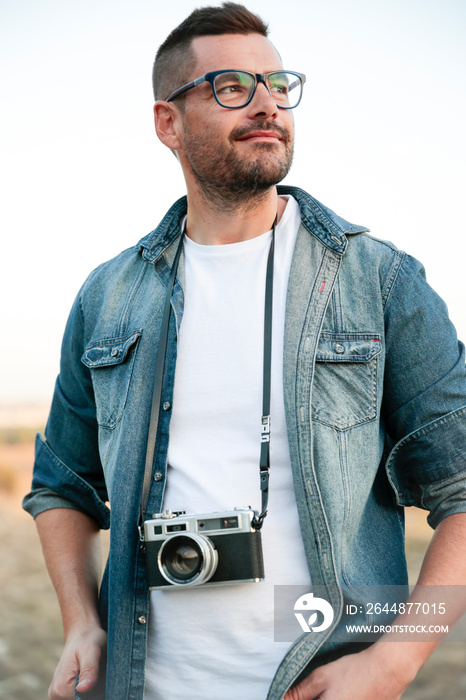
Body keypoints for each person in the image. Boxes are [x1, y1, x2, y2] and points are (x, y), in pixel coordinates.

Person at [23, 3, 466, 699]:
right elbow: (61, 486)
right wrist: (82, 624)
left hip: (318, 681)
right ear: (168, 122)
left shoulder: (379, 281)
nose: (267, 105)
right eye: (232, 86)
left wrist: (396, 661)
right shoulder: (109, 295)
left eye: (278, 84)